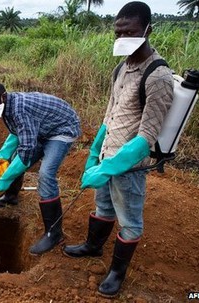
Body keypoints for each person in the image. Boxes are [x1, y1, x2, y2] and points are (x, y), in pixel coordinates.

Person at [63, 1, 174, 298]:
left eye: (131, 31)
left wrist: (110, 167)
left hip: (129, 167)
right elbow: (109, 116)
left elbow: (147, 137)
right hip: (107, 155)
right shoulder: (121, 68)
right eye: (118, 31)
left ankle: (116, 273)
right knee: (103, 207)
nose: (123, 37)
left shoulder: (158, 76)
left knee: (130, 221)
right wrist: (94, 155)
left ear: (149, 30)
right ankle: (92, 246)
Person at [0, 82, 81, 255]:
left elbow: (27, 149)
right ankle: (10, 197)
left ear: (3, 96)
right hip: (42, 129)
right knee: (13, 159)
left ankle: (53, 233)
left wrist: (5, 178)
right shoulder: (6, 107)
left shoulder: (20, 109)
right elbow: (16, 135)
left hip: (61, 129)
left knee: (45, 174)